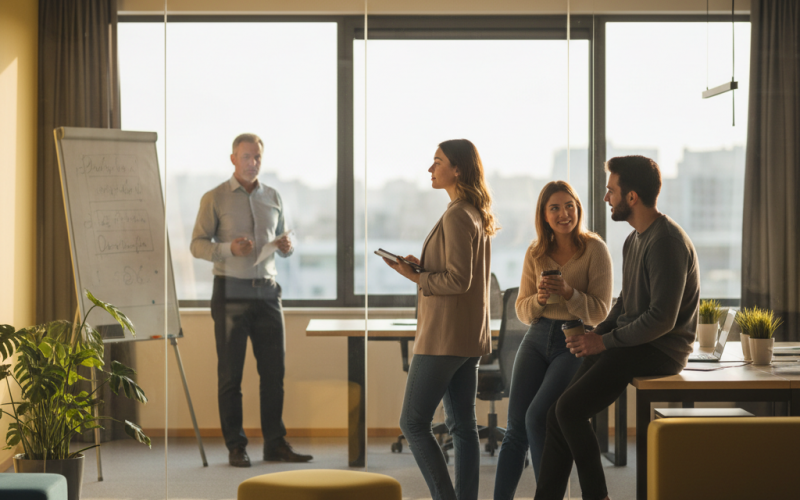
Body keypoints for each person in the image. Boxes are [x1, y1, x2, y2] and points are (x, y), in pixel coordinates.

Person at [533, 155, 699, 500]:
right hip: (631, 344)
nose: (607, 198)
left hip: (660, 350)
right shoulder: (635, 239)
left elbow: (661, 319)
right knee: (556, 415)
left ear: (632, 197)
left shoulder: (666, 241)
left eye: (611, 190)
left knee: (569, 410)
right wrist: (597, 336)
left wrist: (605, 344)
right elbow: (625, 303)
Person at [383, 139, 498, 500]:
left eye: (437, 162)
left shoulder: (458, 214)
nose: (430, 169)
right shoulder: (472, 213)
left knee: (412, 423)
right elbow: (459, 275)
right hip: (467, 338)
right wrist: (423, 267)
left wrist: (416, 277)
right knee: (463, 425)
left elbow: (458, 281)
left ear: (458, 169)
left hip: (445, 338)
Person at [190, 133, 312, 467]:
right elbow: (197, 245)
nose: (252, 163)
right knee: (231, 375)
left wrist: (287, 247)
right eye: (246, 157)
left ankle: (275, 444)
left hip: (268, 292)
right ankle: (236, 446)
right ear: (233, 159)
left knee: (274, 373)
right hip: (231, 290)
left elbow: (285, 240)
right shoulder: (214, 197)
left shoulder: (273, 196)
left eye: (257, 157)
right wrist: (229, 249)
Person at [494, 181, 613, 498]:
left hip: (572, 341)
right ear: (544, 216)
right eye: (555, 208)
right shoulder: (535, 253)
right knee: (514, 428)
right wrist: (542, 299)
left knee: (539, 416)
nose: (564, 214)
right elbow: (521, 309)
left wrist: (569, 293)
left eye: (569, 205)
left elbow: (601, 312)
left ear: (578, 208)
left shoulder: (595, 250)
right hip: (536, 338)